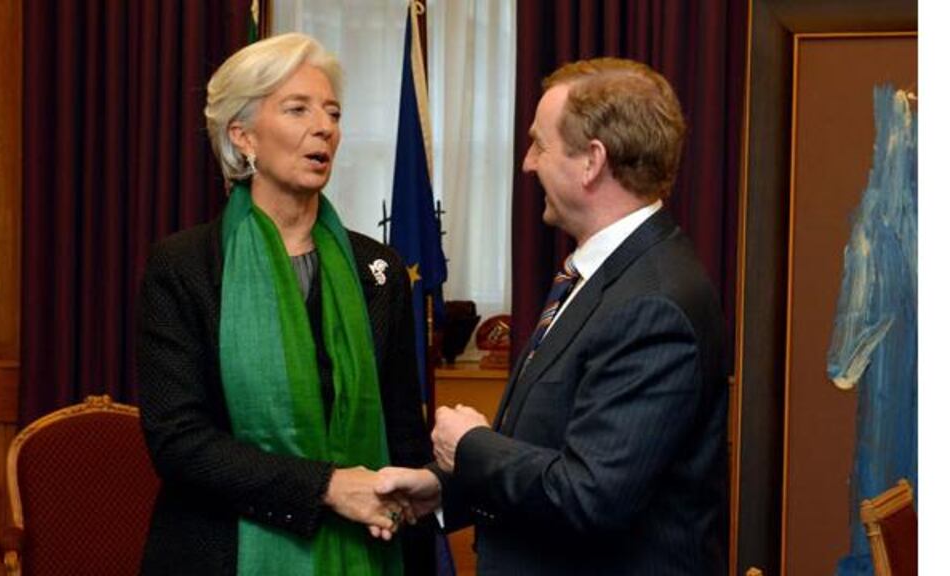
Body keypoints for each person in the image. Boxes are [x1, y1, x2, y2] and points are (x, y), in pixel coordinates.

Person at [377, 57, 728, 575]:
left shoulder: (651, 302)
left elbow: (591, 495)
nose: (527, 163)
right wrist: (447, 483)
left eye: (540, 144)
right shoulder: (606, 275)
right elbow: (554, 449)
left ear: (592, 161)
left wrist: (471, 446)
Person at [136, 33, 433, 575]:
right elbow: (178, 441)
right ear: (242, 135)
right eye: (297, 109)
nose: (324, 127)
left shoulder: (380, 271)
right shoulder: (184, 266)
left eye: (333, 112)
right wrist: (327, 488)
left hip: (369, 550)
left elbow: (402, 432)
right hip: (223, 551)